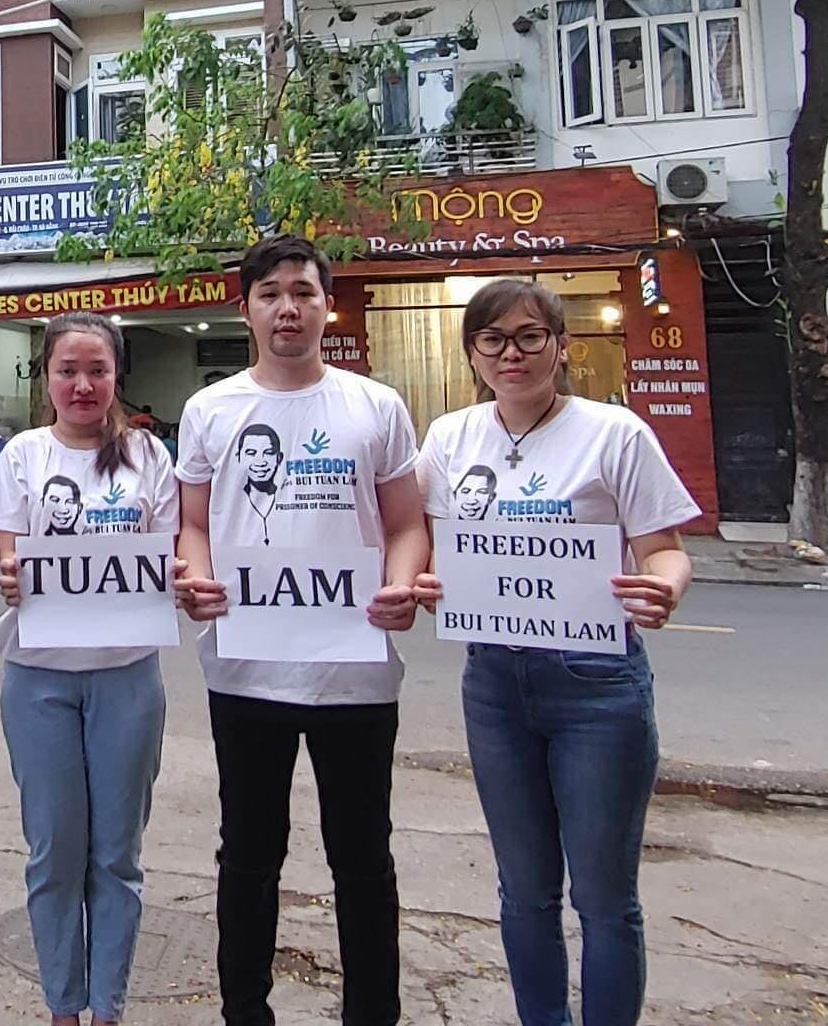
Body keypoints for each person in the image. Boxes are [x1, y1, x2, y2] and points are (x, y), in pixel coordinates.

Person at [414, 279, 695, 1026]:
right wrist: (428, 583)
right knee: (524, 891)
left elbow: (665, 550)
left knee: (603, 898)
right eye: (492, 340)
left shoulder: (614, 433)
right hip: (493, 684)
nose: (511, 354)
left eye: (529, 337)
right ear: (473, 354)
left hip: (596, 687)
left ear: (562, 347)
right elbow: (432, 547)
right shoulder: (449, 438)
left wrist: (663, 588)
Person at [173, 234, 430, 1026]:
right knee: (249, 856)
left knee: (363, 858)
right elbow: (192, 524)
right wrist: (195, 577)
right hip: (247, 670)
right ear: (245, 309)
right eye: (271, 294)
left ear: (328, 304)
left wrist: (401, 584)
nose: (288, 308)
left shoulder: (374, 406)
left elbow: (406, 524)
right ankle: (244, 1011)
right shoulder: (210, 410)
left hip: (355, 673)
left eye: (303, 293)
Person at [0, 312, 179, 1026]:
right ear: (47, 378)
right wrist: (9, 572)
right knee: (54, 852)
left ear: (117, 375)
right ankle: (63, 1006)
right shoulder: (24, 457)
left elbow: (170, 554)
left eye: (98, 370)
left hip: (128, 678)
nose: (83, 385)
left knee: (117, 855)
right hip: (38, 681)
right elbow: (7, 551)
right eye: (68, 370)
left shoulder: (149, 458)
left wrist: (182, 578)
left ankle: (107, 1009)